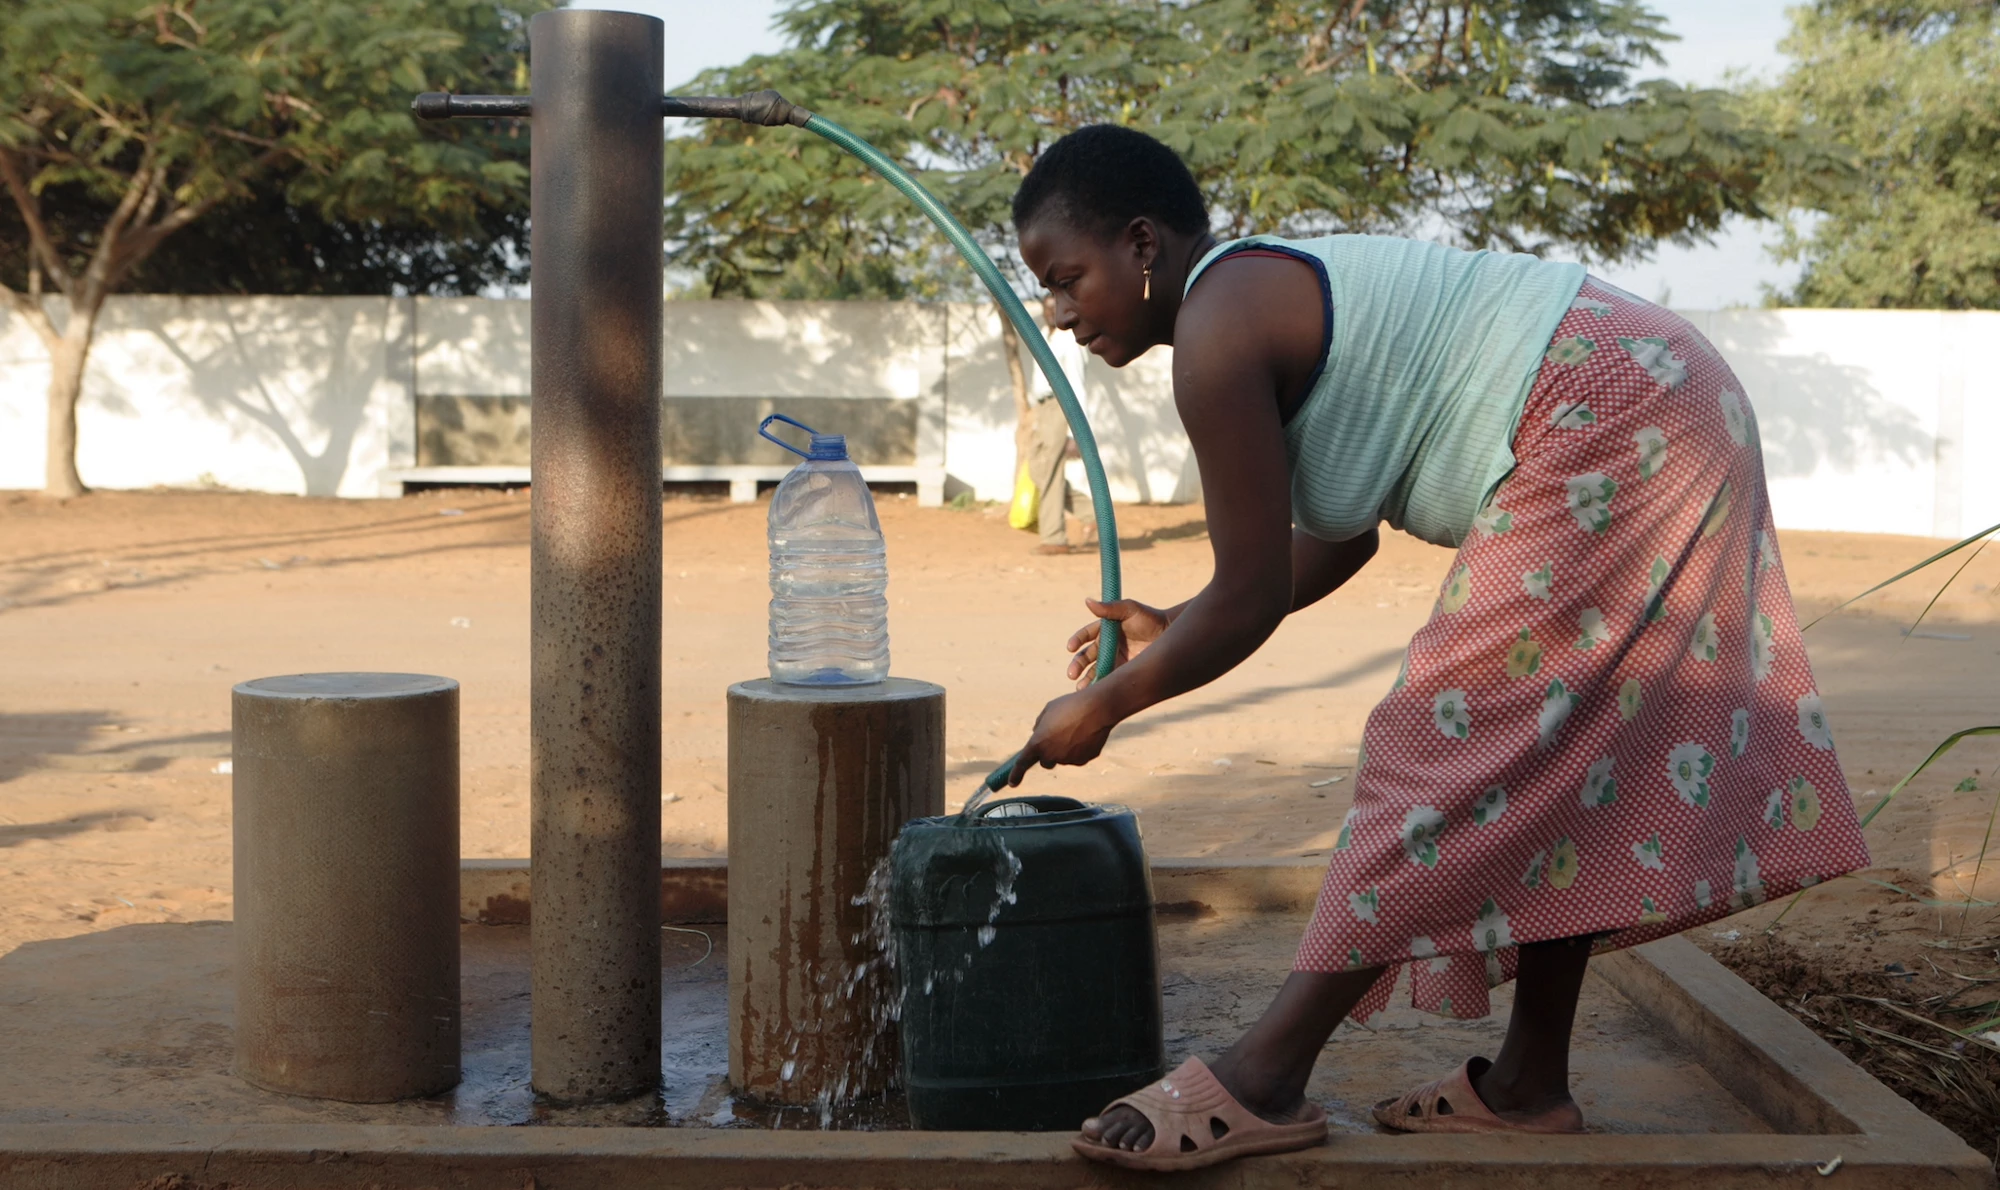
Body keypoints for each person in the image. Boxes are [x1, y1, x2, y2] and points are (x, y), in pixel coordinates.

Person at [1001, 124, 1871, 1172]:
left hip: (1605, 407)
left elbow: (1248, 600)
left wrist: (1108, 702)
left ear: (1140, 244)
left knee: (1441, 735)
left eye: (1065, 277)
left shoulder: (1217, 333)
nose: (1057, 311)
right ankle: (1525, 1086)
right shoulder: (1251, 295)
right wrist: (1171, 623)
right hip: (1654, 385)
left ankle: (1264, 1073)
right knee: (1567, 753)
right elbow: (1329, 538)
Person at [1025, 293, 1095, 555]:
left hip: (1060, 406)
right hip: (1043, 408)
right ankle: (1091, 514)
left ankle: (1054, 538)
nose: (1048, 313)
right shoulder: (1044, 334)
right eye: (1045, 308)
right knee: (1038, 469)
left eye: (1053, 308)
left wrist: (1077, 430)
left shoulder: (1070, 340)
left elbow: (1077, 383)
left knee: (1051, 471)